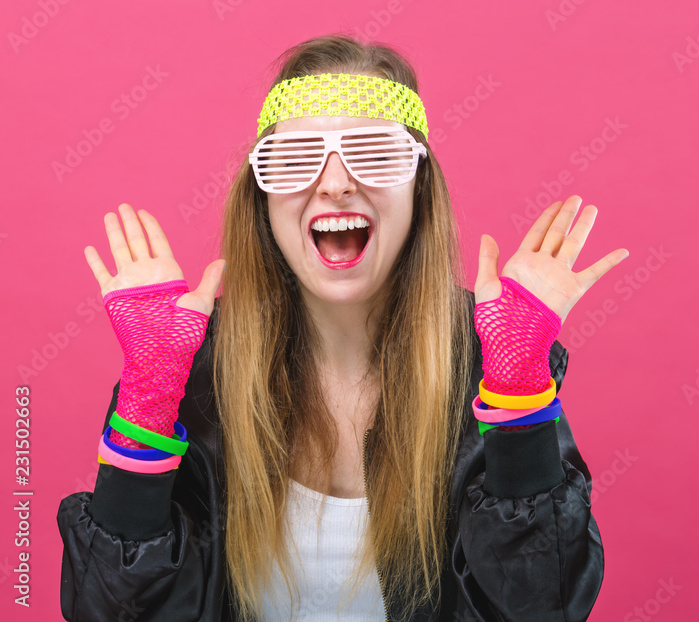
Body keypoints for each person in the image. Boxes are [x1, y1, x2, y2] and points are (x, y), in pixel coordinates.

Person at [57, 33, 627, 622]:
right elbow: (113, 612)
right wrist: (147, 406)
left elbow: (540, 607)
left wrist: (517, 399)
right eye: (299, 158)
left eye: (374, 153)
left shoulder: (494, 364)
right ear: (262, 198)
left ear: (418, 187)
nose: (334, 183)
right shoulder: (188, 372)